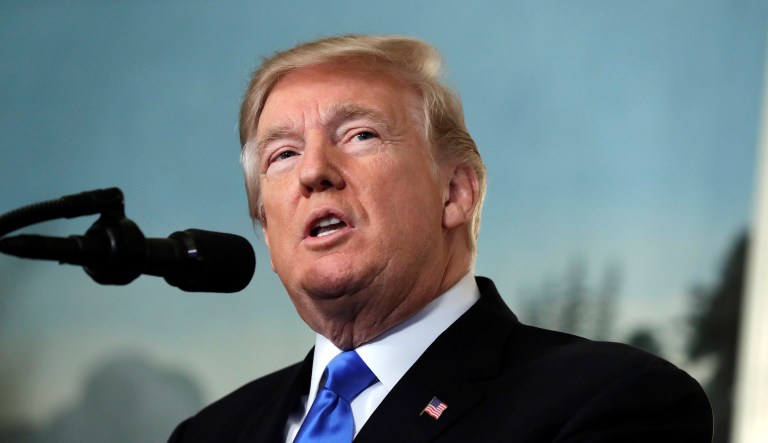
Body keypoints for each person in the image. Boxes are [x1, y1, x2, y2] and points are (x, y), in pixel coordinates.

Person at [169, 34, 713, 442]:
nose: (314, 172)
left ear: (455, 192)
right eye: (282, 154)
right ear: (266, 231)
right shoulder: (209, 434)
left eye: (359, 135)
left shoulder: (610, 400)